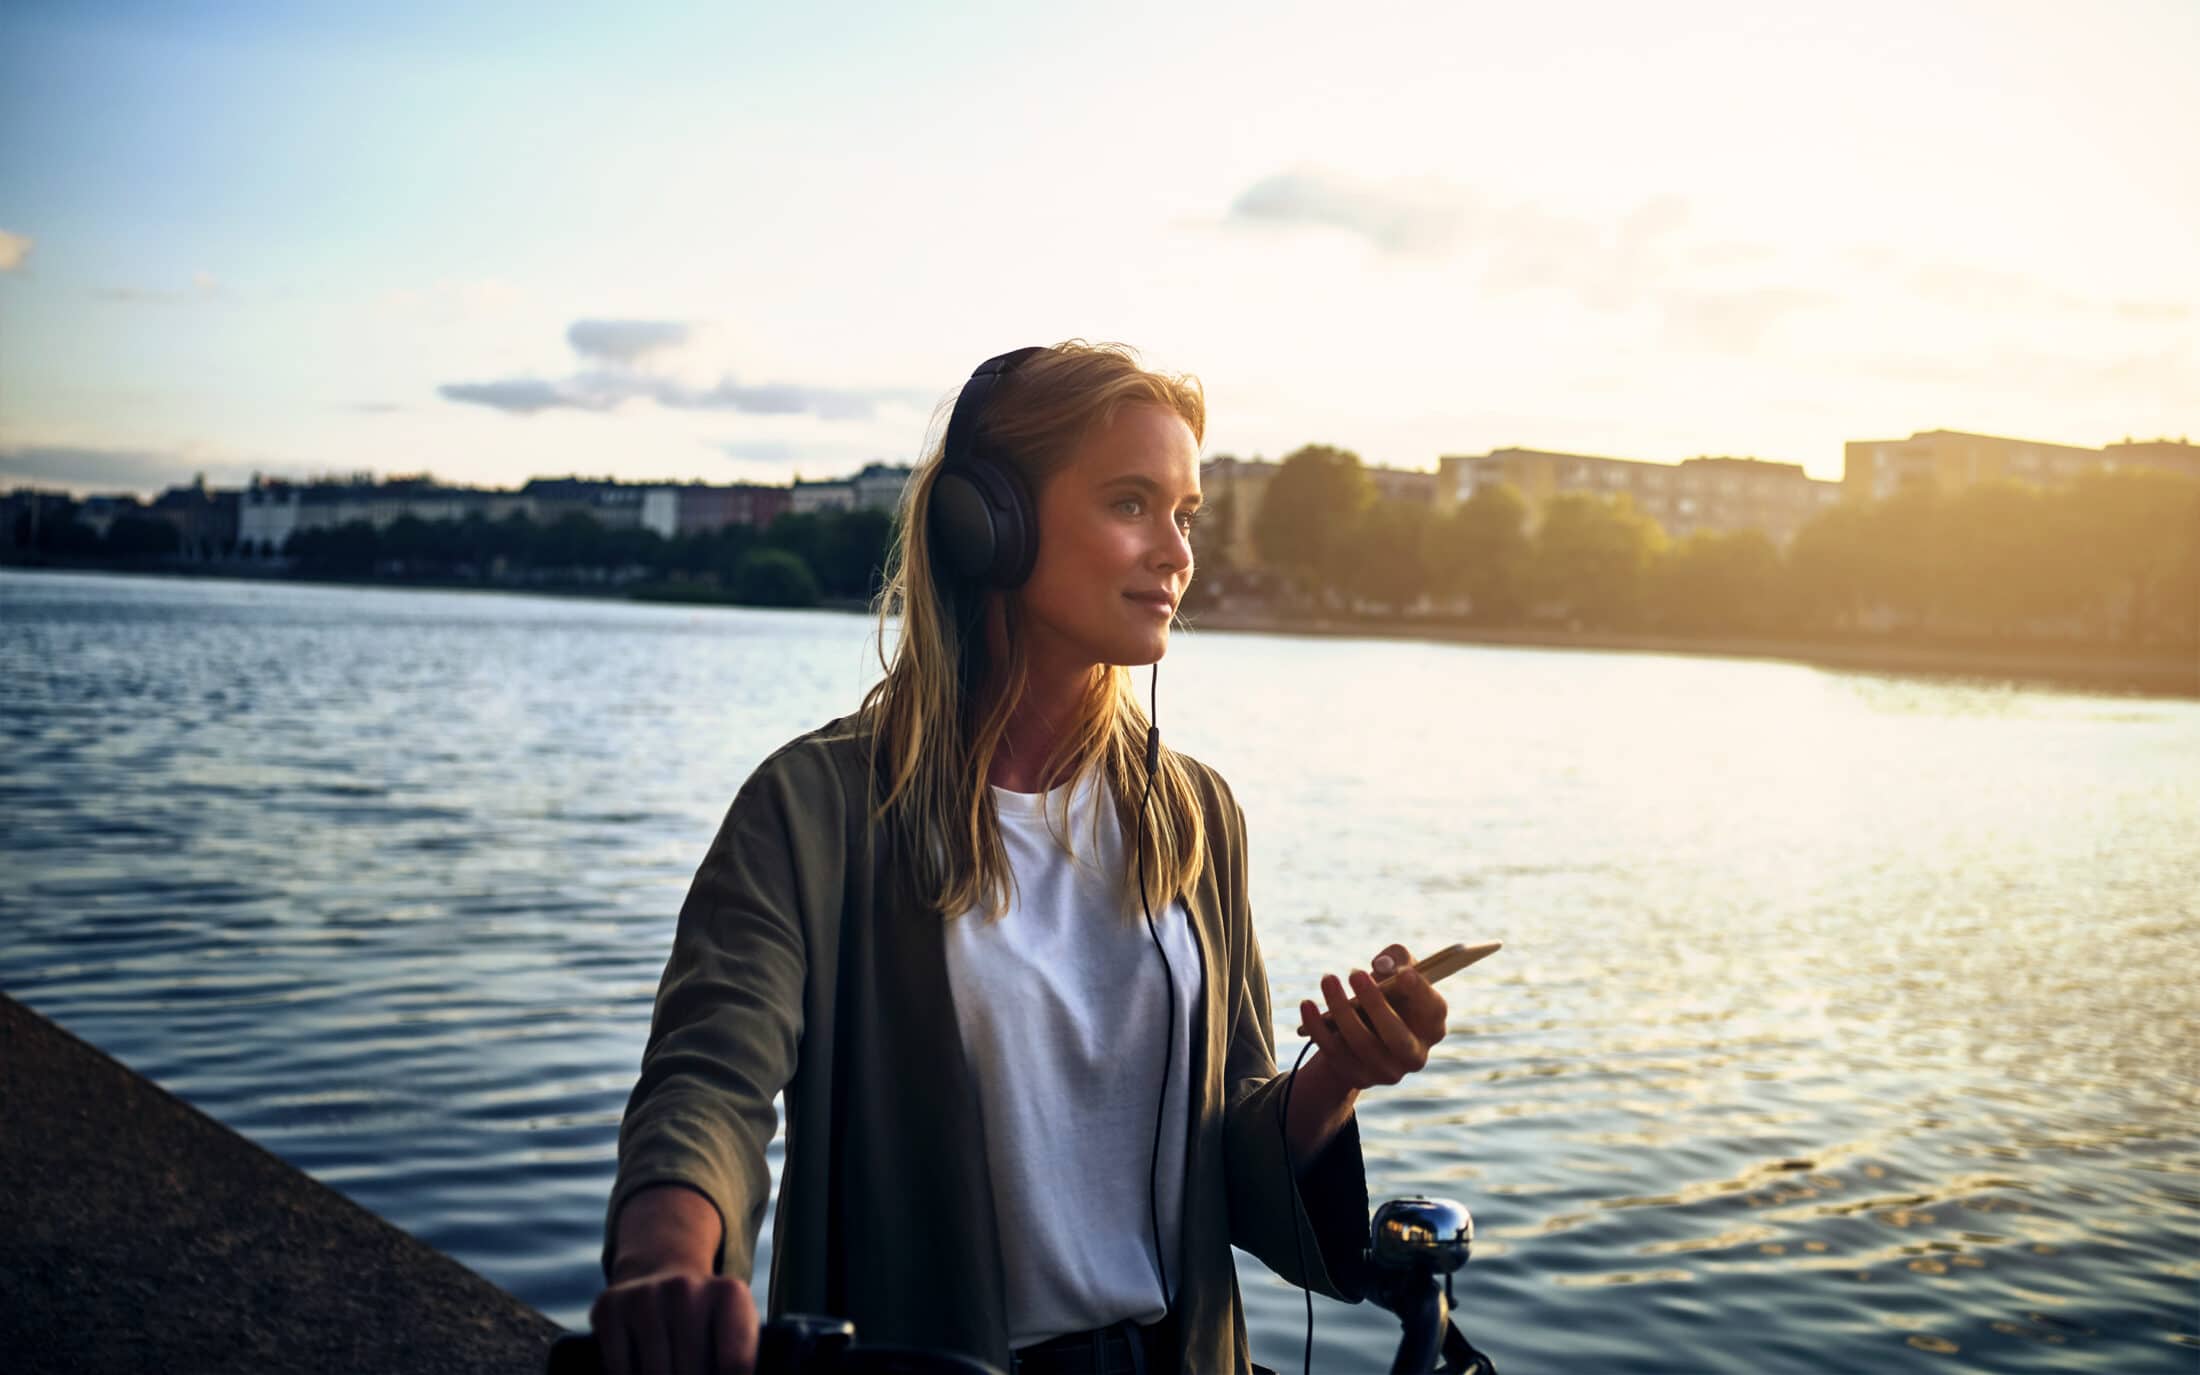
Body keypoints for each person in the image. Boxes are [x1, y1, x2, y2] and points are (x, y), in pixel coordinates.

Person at [589, 341, 1452, 1375]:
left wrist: (1338, 1079)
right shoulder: (813, 809)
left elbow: (1230, 1143)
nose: (1177, 553)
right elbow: (709, 1082)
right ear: (984, 524)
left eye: (1185, 514)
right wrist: (666, 1268)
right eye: (1132, 504)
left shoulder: (1198, 817)